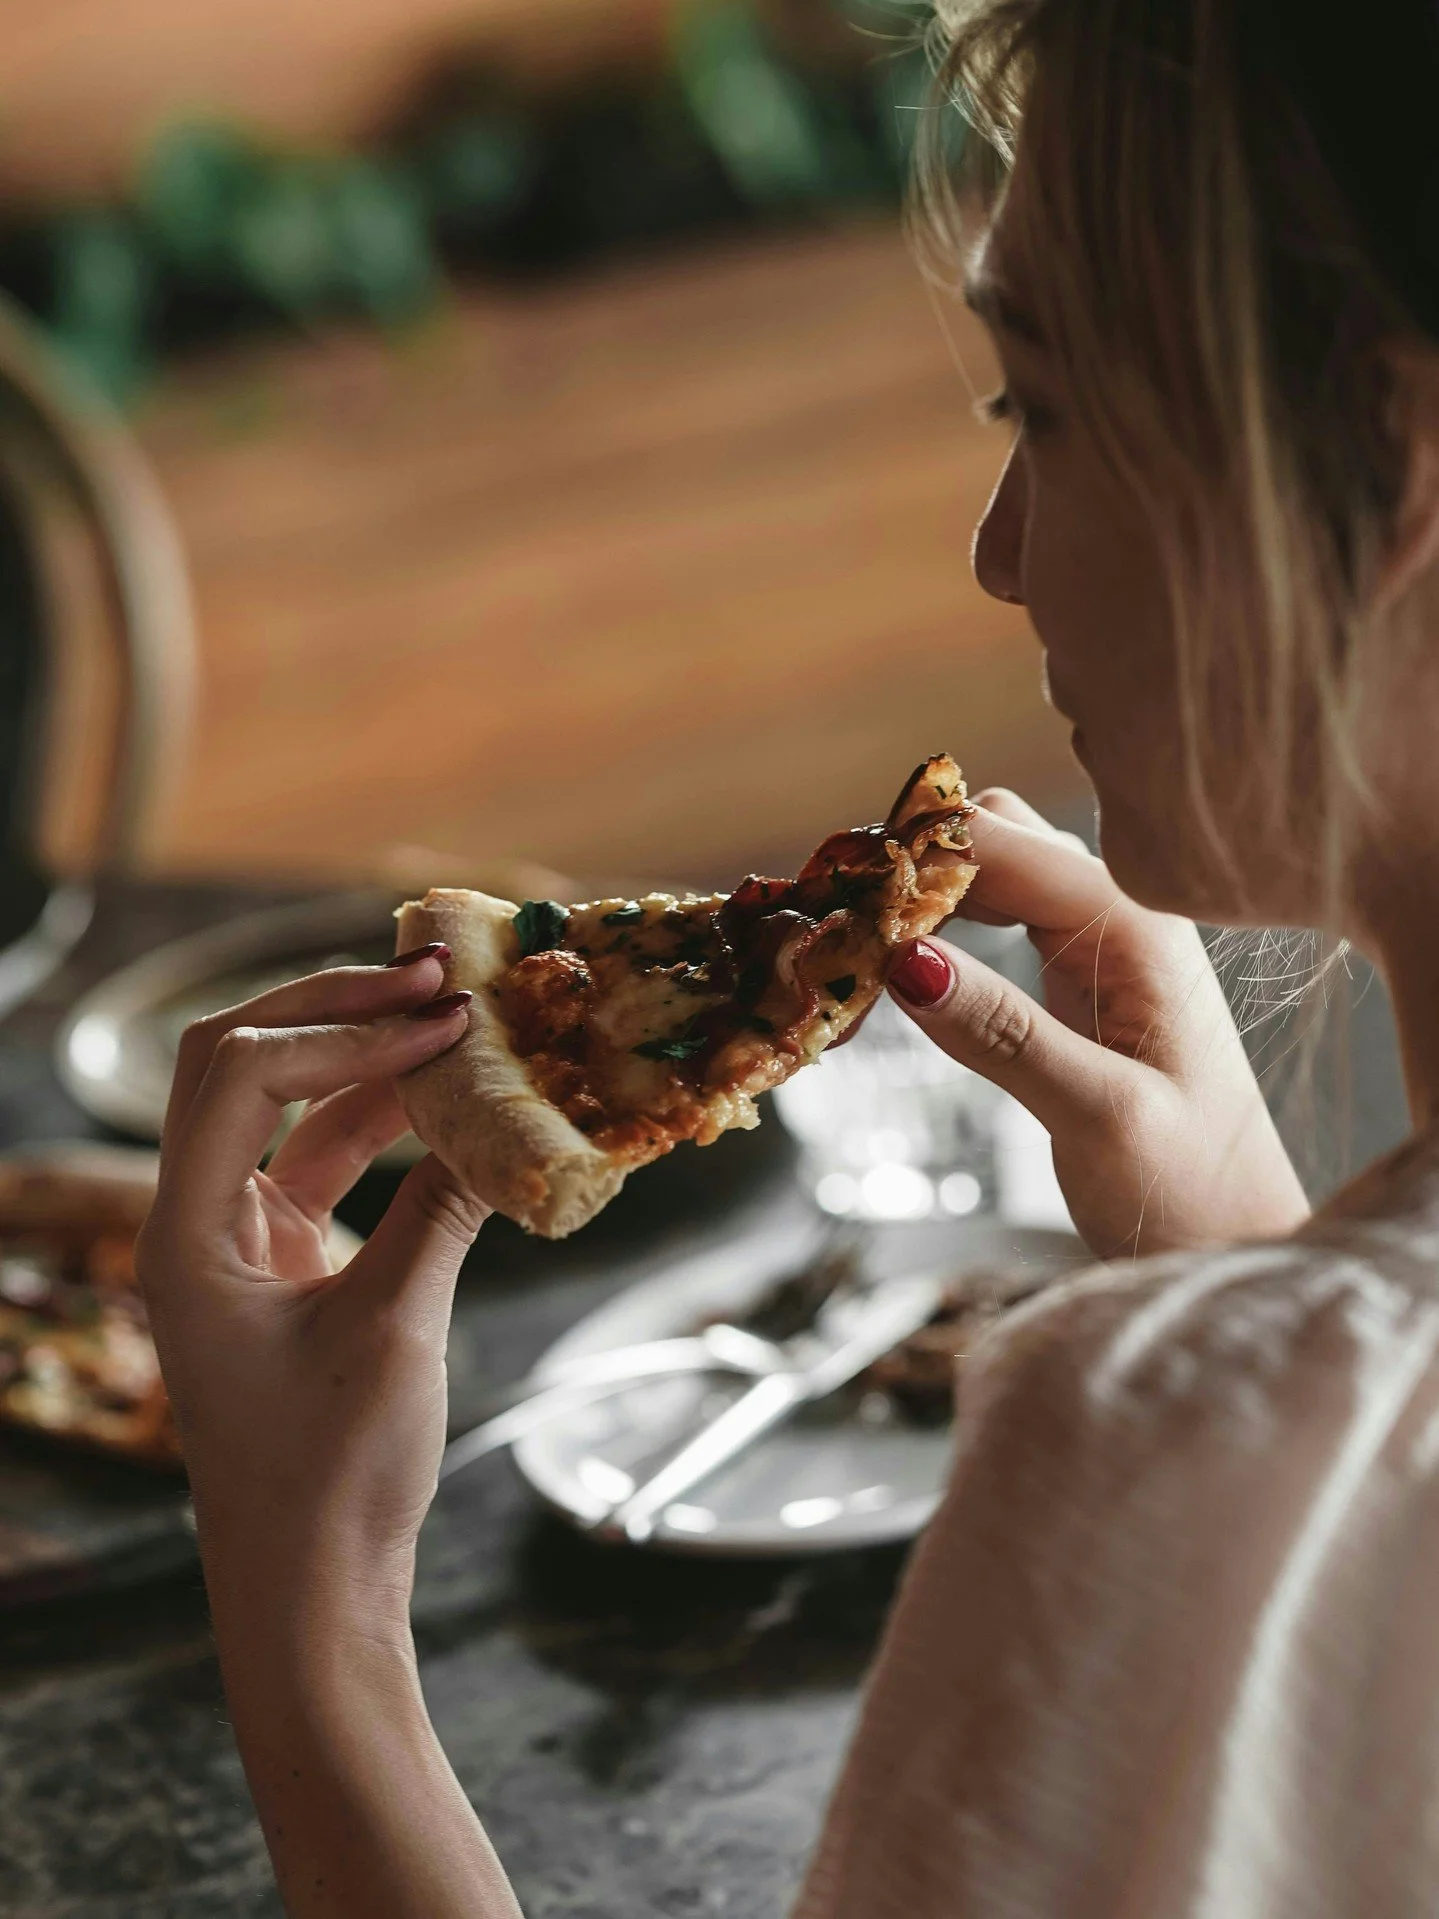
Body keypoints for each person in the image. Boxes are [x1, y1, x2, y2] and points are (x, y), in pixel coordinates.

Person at [135, 0, 1439, 1911]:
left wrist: (300, 1590)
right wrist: (1249, 1271)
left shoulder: (1158, 1433)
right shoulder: (1267, 1421)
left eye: (1042, 403)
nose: (997, 553)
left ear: (1392, 460)